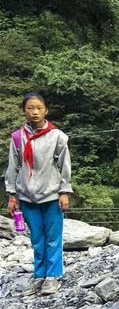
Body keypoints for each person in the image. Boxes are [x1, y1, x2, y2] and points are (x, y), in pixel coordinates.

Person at [4, 92, 72, 296]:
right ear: (24, 111)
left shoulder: (57, 136)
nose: (35, 112)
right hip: (26, 196)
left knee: (53, 236)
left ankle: (53, 276)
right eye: (30, 108)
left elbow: (64, 165)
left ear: (46, 111)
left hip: (52, 194)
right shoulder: (17, 137)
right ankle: (40, 275)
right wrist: (12, 194)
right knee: (36, 237)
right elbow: (12, 167)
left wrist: (64, 191)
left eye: (39, 108)